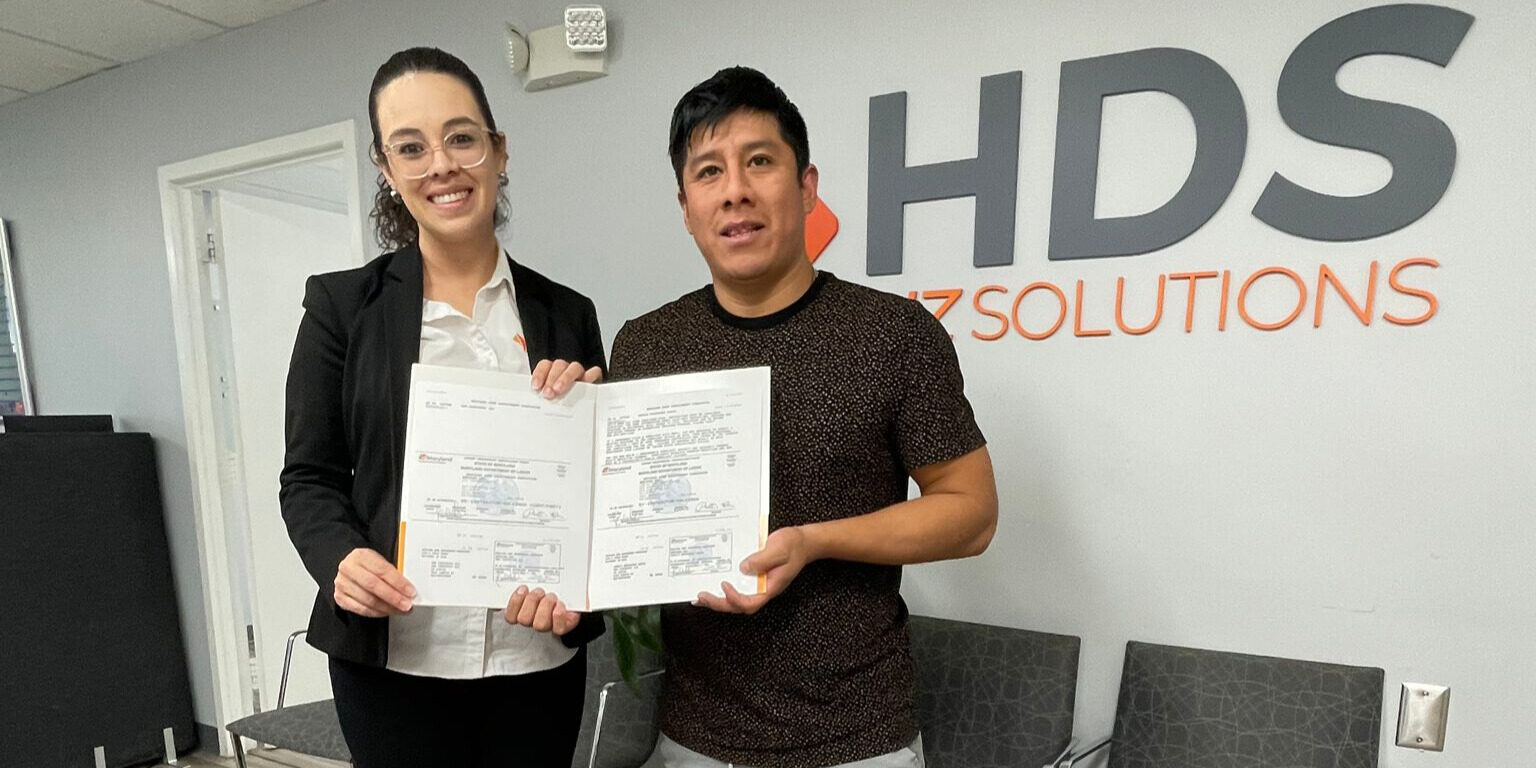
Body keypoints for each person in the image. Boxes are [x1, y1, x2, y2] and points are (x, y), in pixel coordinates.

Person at [611, 67, 1000, 768]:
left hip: (856, 740)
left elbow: (973, 516)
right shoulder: (644, 345)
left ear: (807, 186)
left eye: (759, 161)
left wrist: (813, 541)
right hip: (693, 737)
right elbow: (622, 525)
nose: (735, 190)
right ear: (685, 204)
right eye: (708, 172)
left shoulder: (894, 334)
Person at [280, 47, 602, 768]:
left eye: (461, 138)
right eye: (410, 148)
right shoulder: (341, 309)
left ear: (499, 150)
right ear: (387, 171)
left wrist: (588, 427)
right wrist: (342, 558)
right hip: (394, 668)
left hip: (536, 660)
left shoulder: (566, 312)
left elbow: (591, 491)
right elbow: (309, 479)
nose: (441, 165)